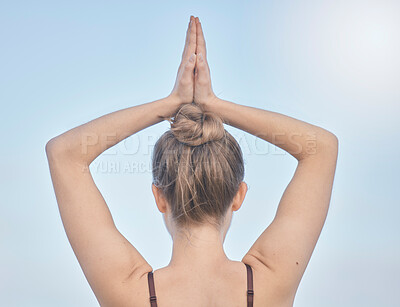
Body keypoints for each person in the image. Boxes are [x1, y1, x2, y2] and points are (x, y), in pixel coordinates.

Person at [46, 15, 338, 307]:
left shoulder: (130, 292)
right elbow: (320, 148)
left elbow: (65, 153)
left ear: (160, 197)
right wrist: (214, 104)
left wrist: (170, 104)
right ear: (238, 195)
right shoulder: (269, 282)